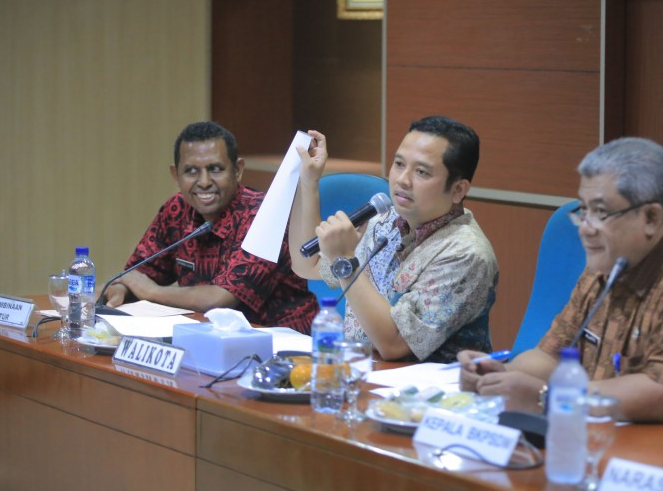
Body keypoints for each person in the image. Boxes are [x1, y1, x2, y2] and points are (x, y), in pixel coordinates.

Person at [458, 137, 663, 440]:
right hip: (609, 441)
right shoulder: (605, 267)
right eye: (584, 210)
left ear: (651, 218)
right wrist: (498, 376)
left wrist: (547, 396)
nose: (585, 228)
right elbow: (549, 357)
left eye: (601, 213)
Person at [289, 116, 499, 363]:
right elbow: (308, 265)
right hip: (363, 371)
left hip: (428, 383)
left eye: (421, 172)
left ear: (458, 190)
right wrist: (309, 182)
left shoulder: (466, 254)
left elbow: (393, 344)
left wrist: (345, 260)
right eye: (399, 164)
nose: (402, 180)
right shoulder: (384, 221)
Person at [103, 121, 318, 334]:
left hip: (281, 343)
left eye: (215, 169)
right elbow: (137, 275)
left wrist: (151, 291)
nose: (204, 182)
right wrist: (122, 289)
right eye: (191, 171)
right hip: (209, 337)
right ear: (176, 175)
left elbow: (220, 299)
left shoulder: (265, 217)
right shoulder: (177, 209)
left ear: (237, 170)